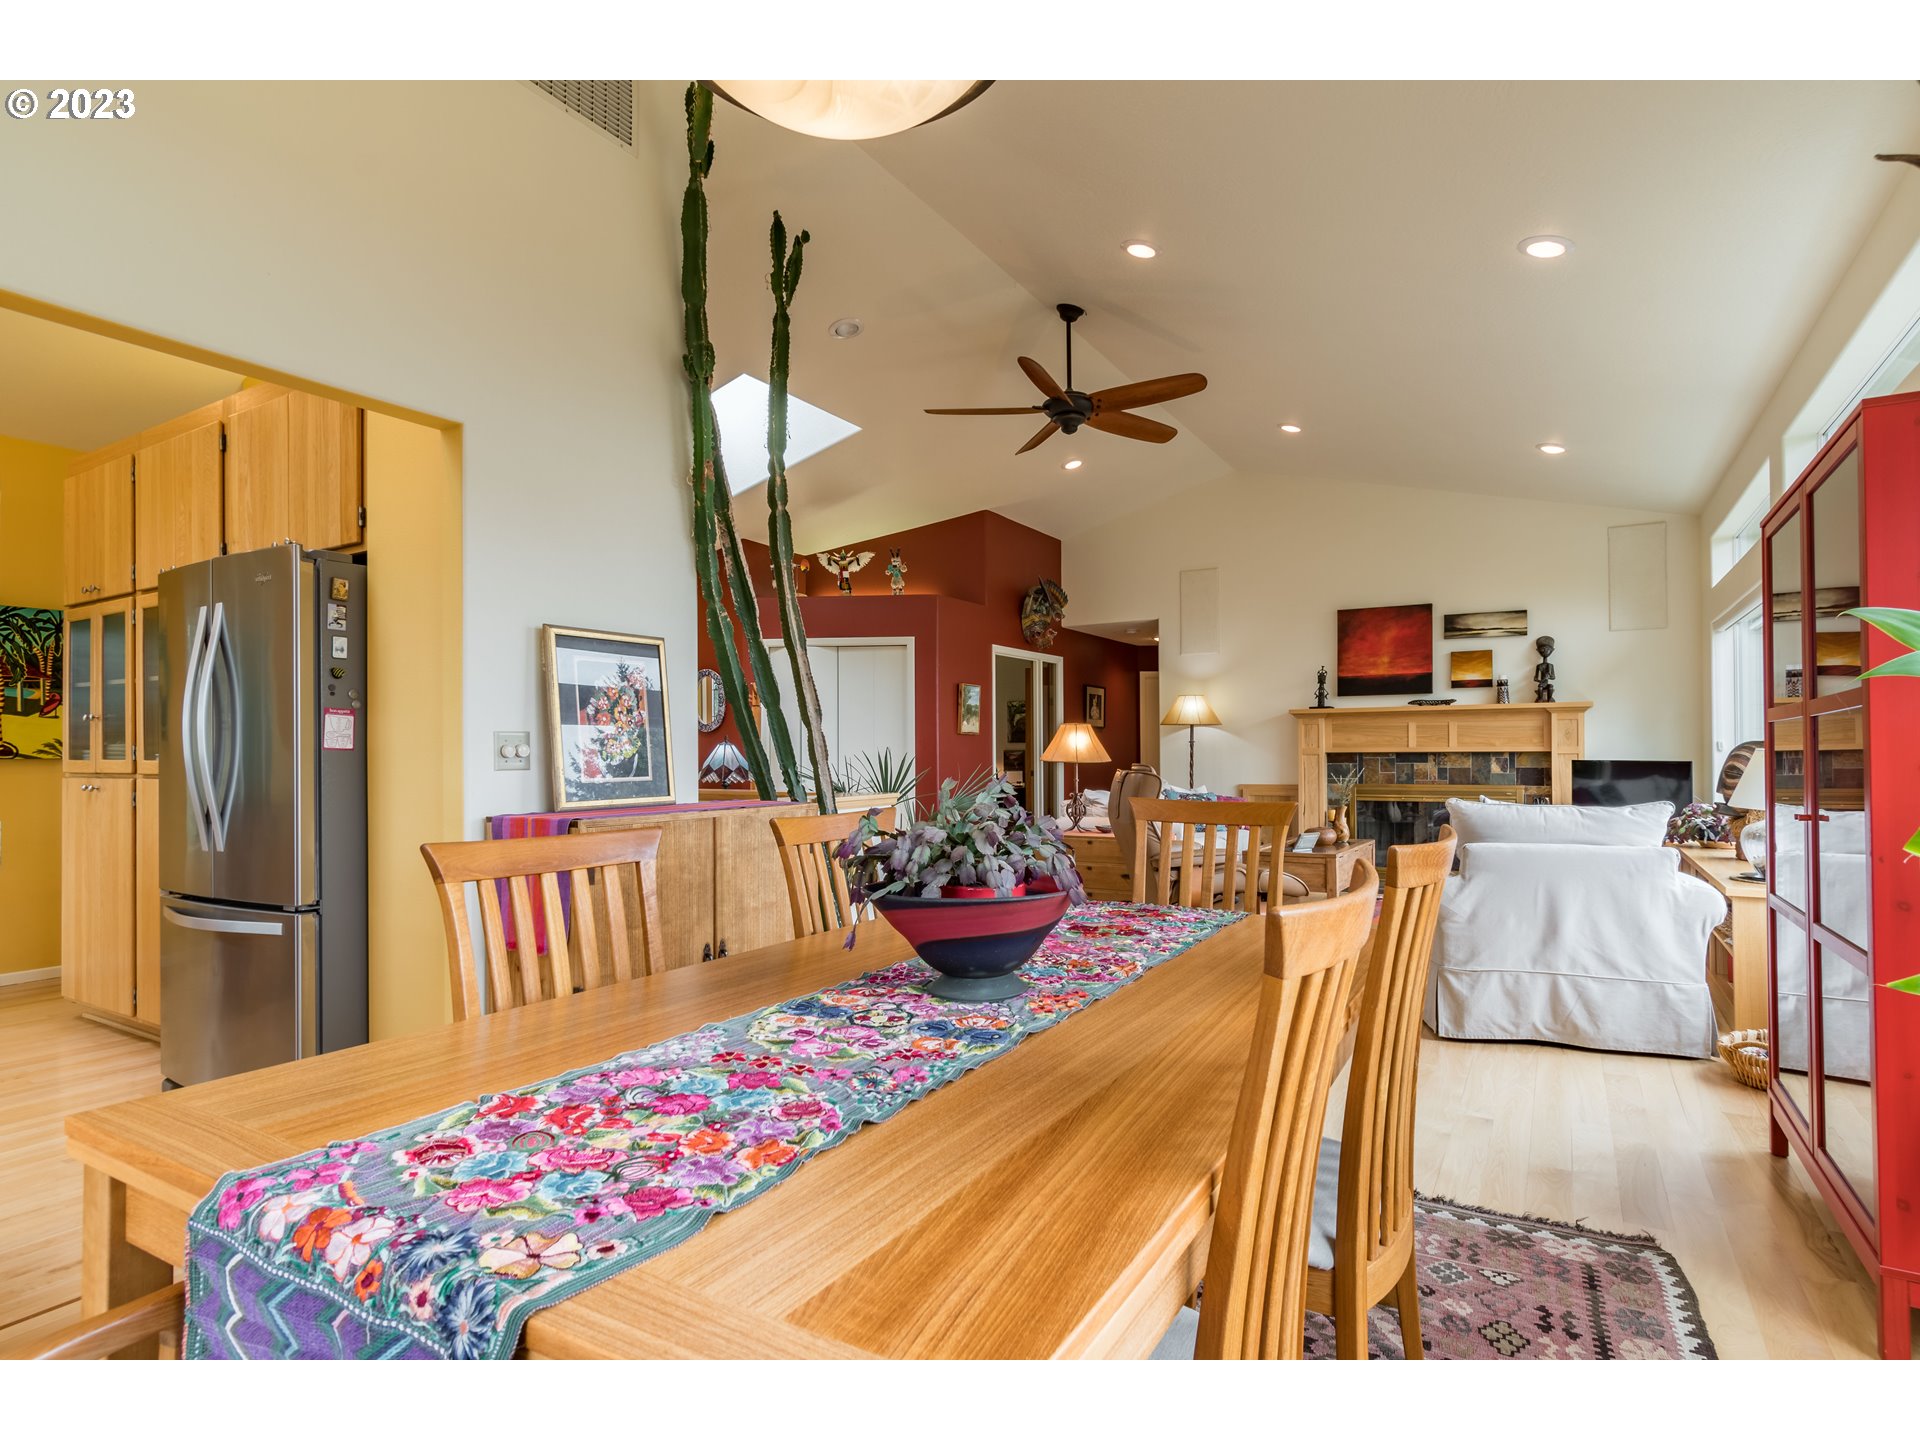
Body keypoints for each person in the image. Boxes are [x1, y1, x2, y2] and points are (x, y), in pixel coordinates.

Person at [1533, 635, 1556, 702]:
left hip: (1547, 683)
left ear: (1552, 650)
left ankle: (1550, 698)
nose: (1545, 651)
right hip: (1542, 684)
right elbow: (1535, 678)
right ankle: (1540, 698)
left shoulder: (1551, 666)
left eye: (1548, 649)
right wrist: (1541, 681)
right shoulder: (1538, 666)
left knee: (1551, 686)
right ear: (1538, 651)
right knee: (1540, 687)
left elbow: (1553, 677)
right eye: (1542, 649)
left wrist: (1548, 677)